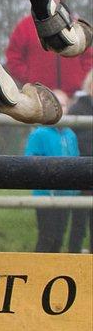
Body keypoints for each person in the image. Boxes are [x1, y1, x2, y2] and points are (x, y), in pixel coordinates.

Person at [5, 0, 92, 96]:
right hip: (40, 97)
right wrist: (30, 78)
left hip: (74, 96)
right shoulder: (24, 27)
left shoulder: (74, 25)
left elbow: (88, 55)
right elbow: (13, 58)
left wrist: (80, 79)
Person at [25, 89, 80, 252]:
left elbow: (76, 159)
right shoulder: (39, 134)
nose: (60, 109)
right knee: (47, 237)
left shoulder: (70, 134)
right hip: (46, 196)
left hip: (66, 195)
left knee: (58, 238)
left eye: (63, 105)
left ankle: (51, 274)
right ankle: (36, 272)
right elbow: (31, 162)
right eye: (56, 105)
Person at [67, 69, 92, 253]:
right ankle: (73, 257)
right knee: (79, 221)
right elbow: (71, 140)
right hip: (81, 173)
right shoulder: (78, 109)